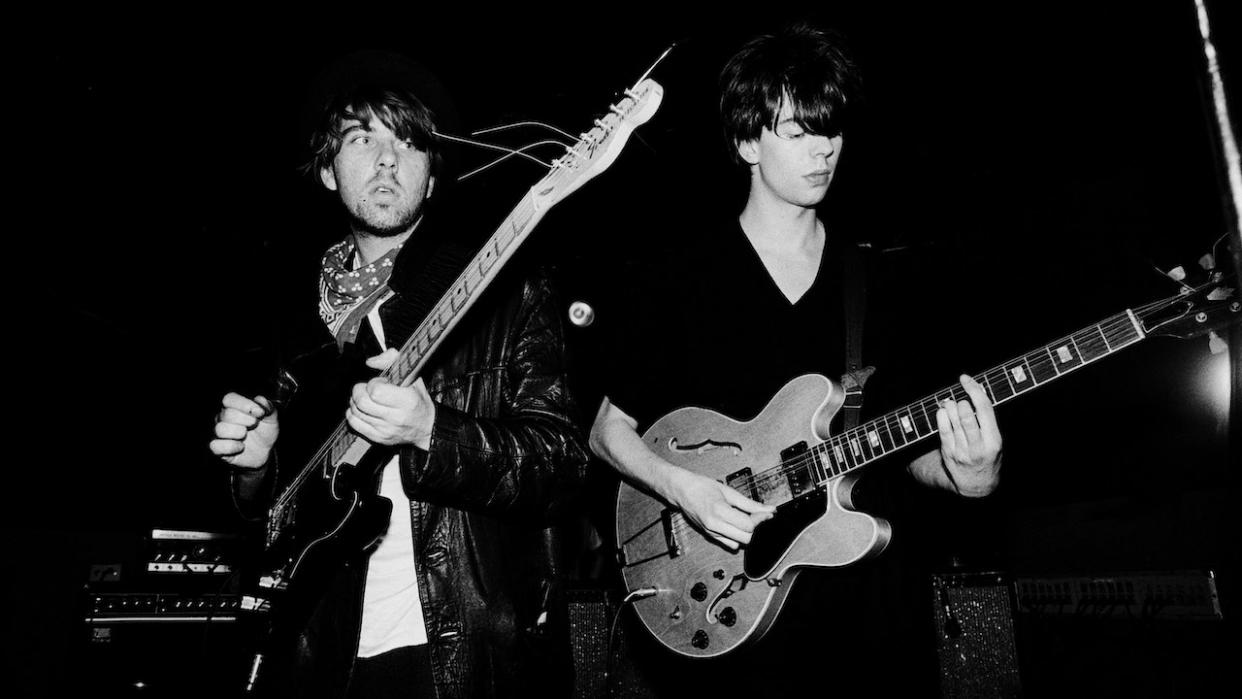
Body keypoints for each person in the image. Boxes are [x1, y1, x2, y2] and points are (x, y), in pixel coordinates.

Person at [590, 24, 1003, 695]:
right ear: (747, 141)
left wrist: (972, 473)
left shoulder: (877, 283)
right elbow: (607, 429)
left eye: (831, 129)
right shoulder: (681, 280)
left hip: (874, 626)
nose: (824, 149)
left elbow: (912, 445)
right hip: (731, 626)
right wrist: (682, 489)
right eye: (798, 131)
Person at [209, 52, 589, 699]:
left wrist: (434, 431)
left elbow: (562, 466)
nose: (387, 160)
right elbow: (276, 526)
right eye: (362, 139)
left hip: (467, 651)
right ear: (327, 169)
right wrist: (252, 471)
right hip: (316, 654)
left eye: (407, 142)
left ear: (433, 178)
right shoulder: (295, 326)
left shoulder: (505, 292)